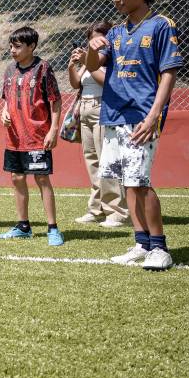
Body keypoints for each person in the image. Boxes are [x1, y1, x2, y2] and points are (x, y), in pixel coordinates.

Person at [86, 0, 183, 271]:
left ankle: (160, 248)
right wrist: (91, 50)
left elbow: (169, 73)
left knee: (140, 182)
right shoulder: (115, 32)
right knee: (127, 182)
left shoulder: (161, 25)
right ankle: (142, 243)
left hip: (142, 116)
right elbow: (94, 66)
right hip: (115, 115)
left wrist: (154, 115)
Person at [0, 26, 64, 246]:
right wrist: (5, 111)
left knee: (42, 179)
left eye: (17, 46)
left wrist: (53, 129)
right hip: (14, 137)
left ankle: (53, 228)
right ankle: (23, 226)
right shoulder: (9, 69)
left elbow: (55, 100)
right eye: (11, 46)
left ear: (32, 46)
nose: (12, 50)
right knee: (17, 178)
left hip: (37, 135)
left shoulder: (43, 68)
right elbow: (7, 98)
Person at [69, 22, 128, 227]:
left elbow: (106, 82)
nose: (94, 43)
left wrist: (88, 60)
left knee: (107, 161)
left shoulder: (111, 58)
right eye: (91, 39)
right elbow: (76, 83)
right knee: (92, 162)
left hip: (103, 108)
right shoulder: (90, 60)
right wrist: (73, 66)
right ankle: (96, 209)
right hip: (85, 110)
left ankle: (117, 212)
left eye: (98, 38)